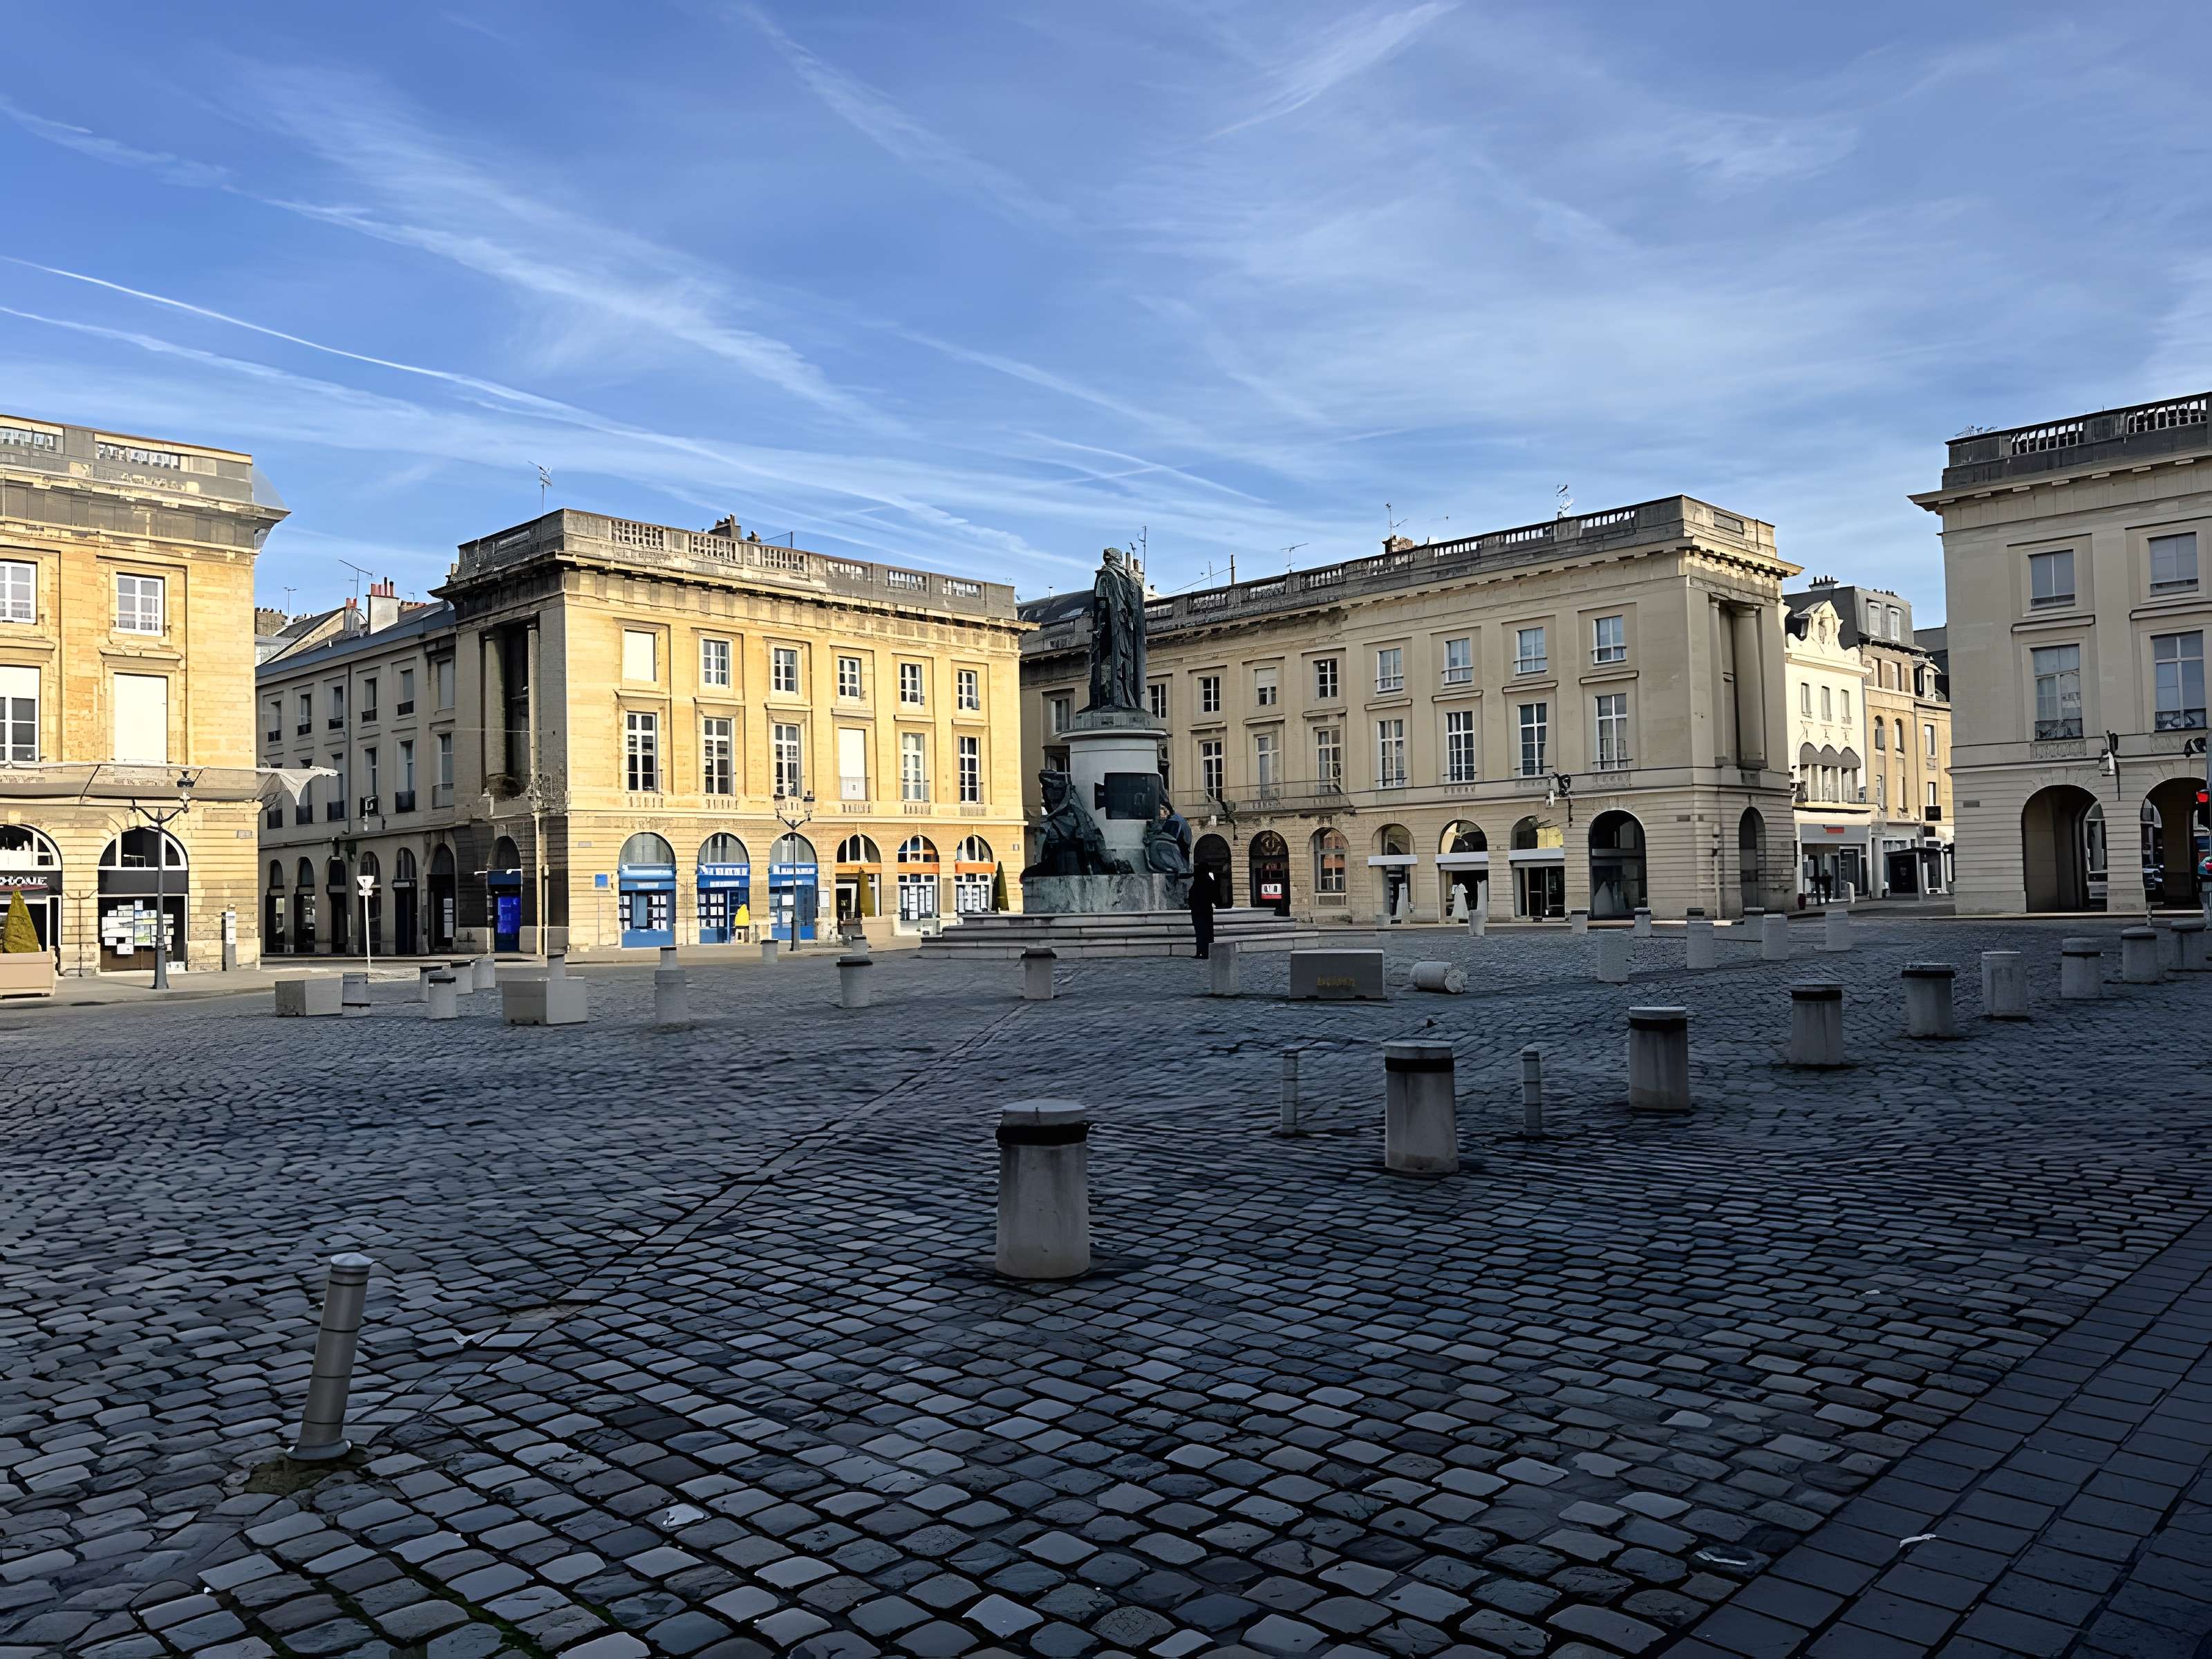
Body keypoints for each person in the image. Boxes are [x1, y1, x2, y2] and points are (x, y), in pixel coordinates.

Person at [1188, 866, 1215, 959]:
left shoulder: (1199, 882)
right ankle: (1204, 952)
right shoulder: (1208, 881)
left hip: (1199, 911)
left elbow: (1192, 896)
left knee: (1200, 933)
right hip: (1205, 911)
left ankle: (1202, 952)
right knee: (1205, 932)